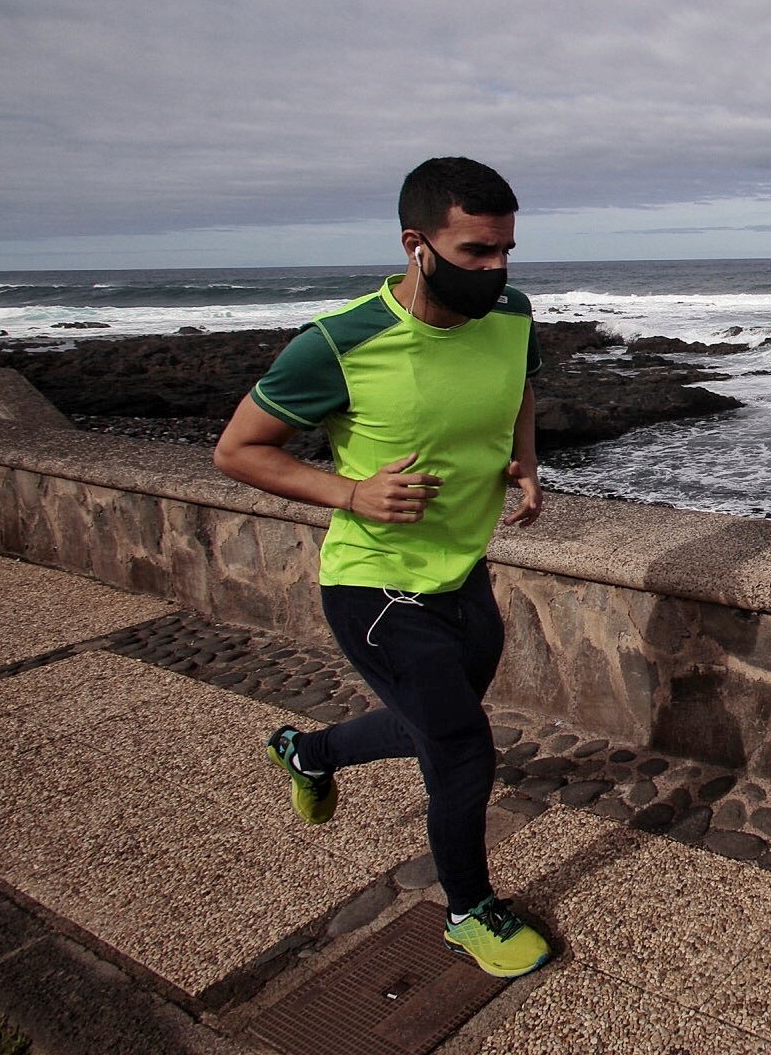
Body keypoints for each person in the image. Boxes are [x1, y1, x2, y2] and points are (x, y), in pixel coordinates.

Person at [214, 156, 551, 978]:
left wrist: (526, 460)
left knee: (430, 723)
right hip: (374, 587)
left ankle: (311, 752)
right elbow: (237, 451)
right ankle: (469, 913)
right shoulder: (339, 342)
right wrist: (351, 493)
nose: (497, 269)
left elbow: (521, 390)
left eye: (506, 250)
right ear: (417, 244)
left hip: (463, 578)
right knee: (463, 748)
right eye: (475, 252)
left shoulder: (512, 313)